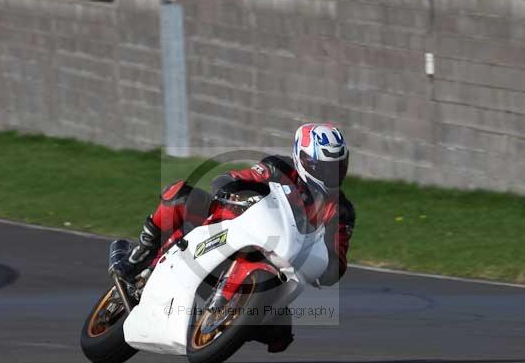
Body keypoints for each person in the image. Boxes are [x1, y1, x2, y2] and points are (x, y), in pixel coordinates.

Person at [116, 123, 356, 351]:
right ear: (303, 160)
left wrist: (329, 267)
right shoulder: (278, 168)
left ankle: (237, 321)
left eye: (337, 166)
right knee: (178, 195)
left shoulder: (341, 211)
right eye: (322, 166)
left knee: (281, 336)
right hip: (233, 223)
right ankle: (140, 254)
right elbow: (238, 177)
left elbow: (338, 257)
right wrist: (230, 185)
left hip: (281, 260)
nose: (331, 173)